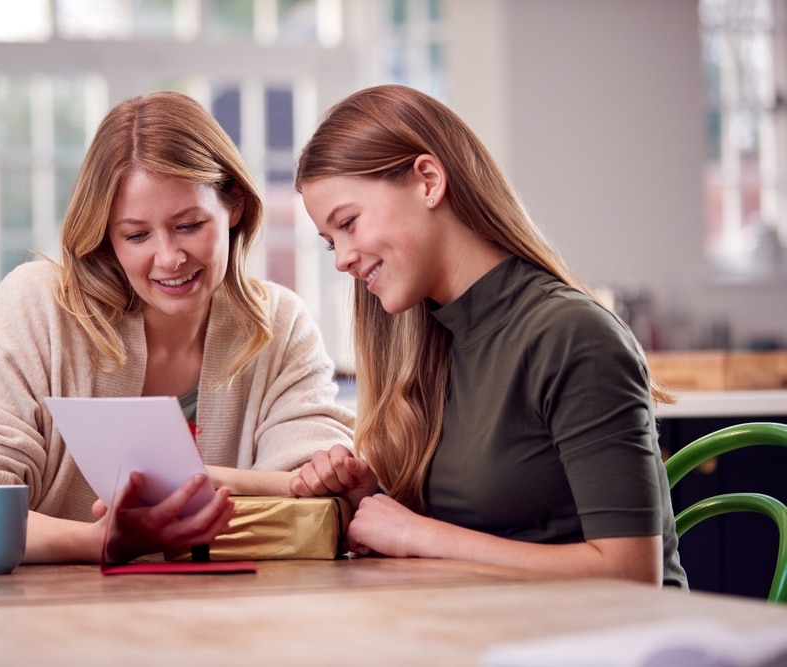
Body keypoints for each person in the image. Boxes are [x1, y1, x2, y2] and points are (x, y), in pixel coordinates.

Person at [0, 91, 354, 565]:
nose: (170, 258)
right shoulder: (39, 304)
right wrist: (98, 542)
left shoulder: (278, 324)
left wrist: (209, 481)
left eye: (190, 225)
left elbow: (312, 499)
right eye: (136, 235)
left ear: (233, 205)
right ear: (105, 235)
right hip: (12, 607)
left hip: (196, 613)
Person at [288, 84, 687, 588]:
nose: (343, 257)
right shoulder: (432, 339)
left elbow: (631, 573)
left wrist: (419, 535)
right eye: (330, 243)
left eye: (349, 222)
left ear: (428, 181)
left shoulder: (571, 336)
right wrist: (374, 502)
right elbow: (484, 530)